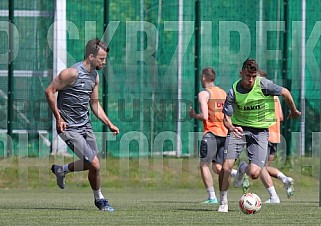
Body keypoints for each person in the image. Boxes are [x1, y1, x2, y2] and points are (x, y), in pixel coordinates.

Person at [45, 38, 119, 212]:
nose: (104, 62)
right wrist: (58, 118)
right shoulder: (71, 73)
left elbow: (94, 104)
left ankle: (62, 170)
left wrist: (109, 123)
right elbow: (49, 91)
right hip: (68, 127)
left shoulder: (95, 76)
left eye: (105, 59)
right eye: (101, 59)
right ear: (91, 56)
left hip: (85, 126)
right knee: (95, 164)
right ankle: (99, 200)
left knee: (92, 163)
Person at [218, 58, 301, 213]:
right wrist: (231, 127)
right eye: (247, 76)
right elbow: (226, 118)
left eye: (253, 76)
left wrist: (294, 110)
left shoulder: (264, 84)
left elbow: (285, 92)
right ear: (241, 73)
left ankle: (243, 168)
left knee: (256, 173)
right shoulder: (233, 91)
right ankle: (223, 202)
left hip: (260, 131)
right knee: (226, 166)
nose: (250, 80)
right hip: (239, 130)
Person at [189, 67, 237, 204]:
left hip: (212, 133)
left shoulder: (204, 94)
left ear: (203, 78)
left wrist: (193, 115)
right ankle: (237, 172)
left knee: (204, 164)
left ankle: (212, 197)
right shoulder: (222, 92)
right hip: (225, 133)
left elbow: (205, 116)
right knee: (218, 168)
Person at [255, 70, 294, 203]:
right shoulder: (276, 96)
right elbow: (281, 117)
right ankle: (285, 179)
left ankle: (273, 197)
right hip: (276, 136)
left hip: (264, 135)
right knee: (264, 167)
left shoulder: (260, 95)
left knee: (258, 167)